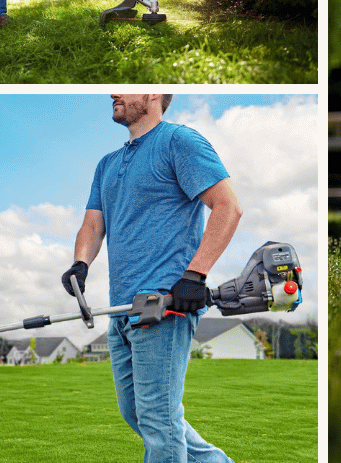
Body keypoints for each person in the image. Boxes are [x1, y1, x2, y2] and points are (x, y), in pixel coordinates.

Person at [61, 94, 243, 463]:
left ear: (154, 94)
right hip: (121, 308)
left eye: (125, 88)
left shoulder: (178, 141)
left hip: (162, 304)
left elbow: (228, 206)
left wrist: (195, 274)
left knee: (159, 420)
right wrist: (80, 263)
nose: (113, 93)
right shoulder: (107, 164)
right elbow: (94, 224)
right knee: (138, 414)